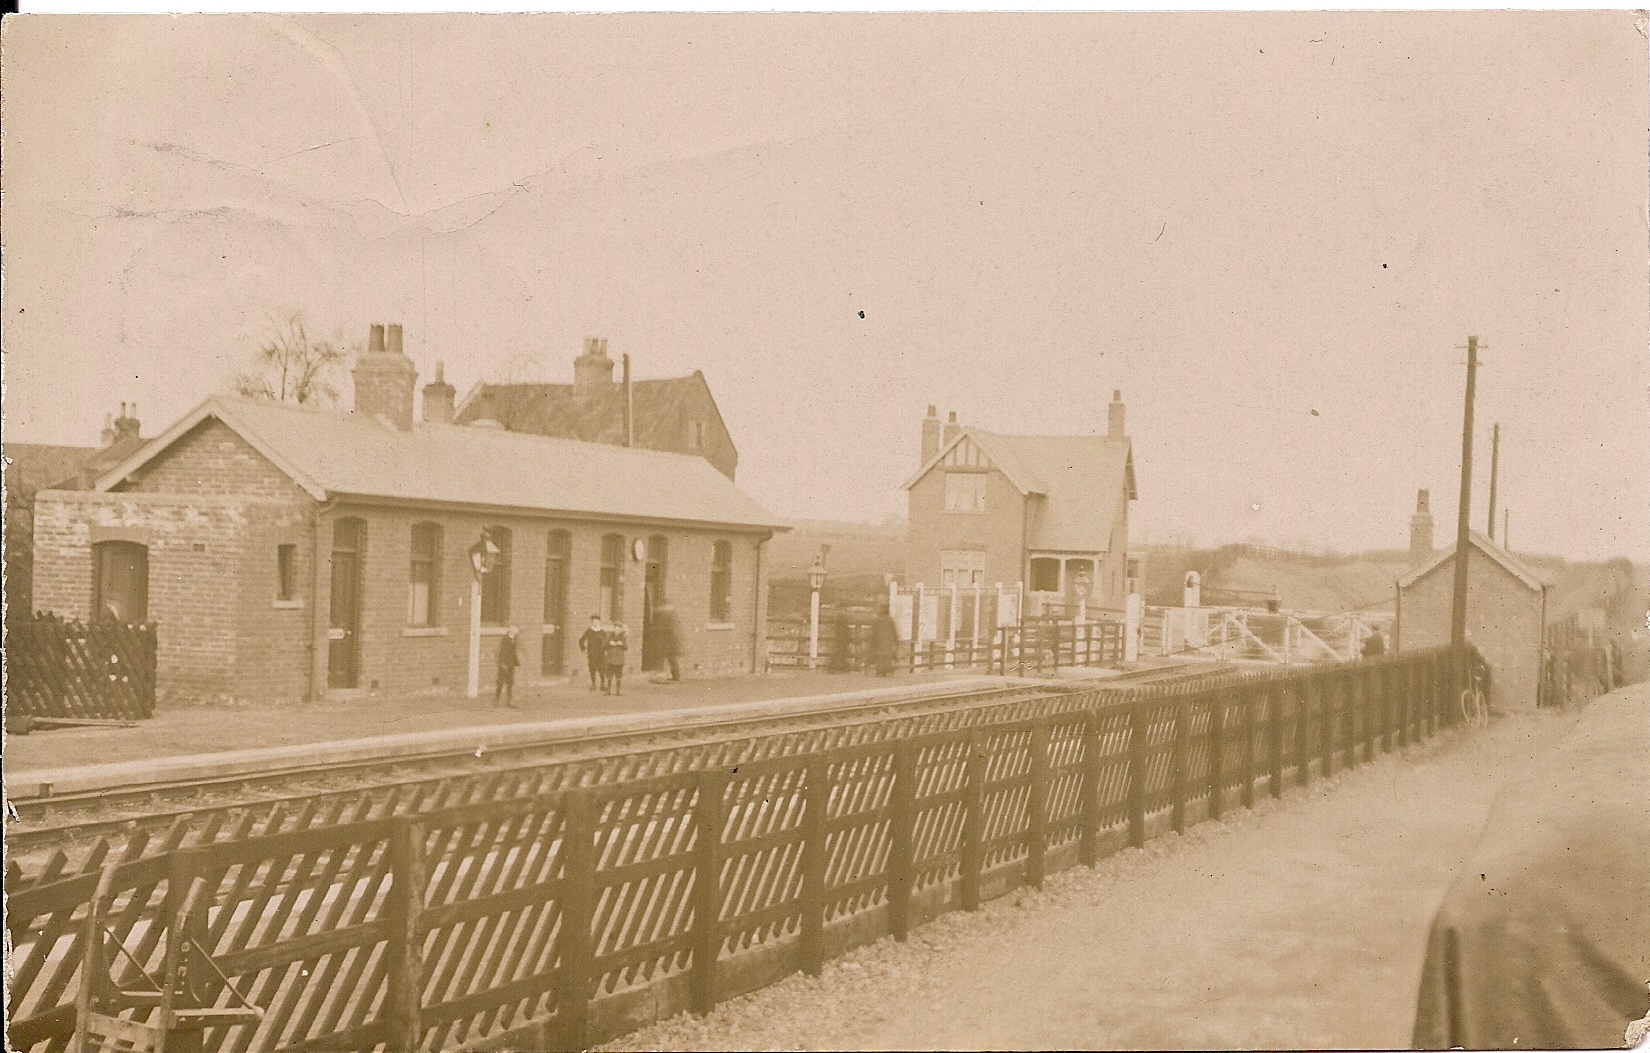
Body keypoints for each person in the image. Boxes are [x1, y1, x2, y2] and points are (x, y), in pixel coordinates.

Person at [654, 603, 682, 682]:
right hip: (670, 642)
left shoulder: (670, 619)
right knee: (671, 659)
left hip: (671, 643)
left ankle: (676, 676)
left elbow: (669, 631)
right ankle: (675, 676)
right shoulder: (670, 617)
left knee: (672, 659)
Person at [494, 625, 520, 708]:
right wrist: (502, 664)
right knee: (500, 682)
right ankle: (496, 699)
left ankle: (509, 700)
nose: (517, 632)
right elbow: (503, 652)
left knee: (510, 682)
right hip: (504, 664)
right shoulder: (505, 639)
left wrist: (516, 662)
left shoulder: (514, 639)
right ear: (511, 631)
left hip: (511, 664)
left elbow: (513, 652)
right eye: (515, 631)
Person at [577, 615, 606, 691]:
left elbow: (606, 642)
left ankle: (602, 683)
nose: (595, 623)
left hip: (600, 653)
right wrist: (583, 648)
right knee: (592, 668)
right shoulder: (589, 631)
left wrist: (604, 646)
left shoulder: (602, 632)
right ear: (592, 622)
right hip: (592, 653)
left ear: (599, 622)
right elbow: (581, 640)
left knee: (601, 668)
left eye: (597, 621)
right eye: (594, 621)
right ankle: (593, 683)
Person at [870, 607, 898, 677]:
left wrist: (873, 642)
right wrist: (896, 641)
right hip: (888, 642)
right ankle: (886, 671)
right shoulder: (890, 620)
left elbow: (874, 632)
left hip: (880, 642)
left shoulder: (878, 620)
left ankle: (879, 671)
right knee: (887, 656)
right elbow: (894, 632)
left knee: (880, 656)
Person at [603, 623, 629, 696]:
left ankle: (618, 691)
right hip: (610, 659)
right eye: (616, 629)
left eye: (619, 629)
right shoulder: (609, 637)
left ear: (620, 630)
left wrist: (621, 644)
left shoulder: (623, 638)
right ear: (614, 629)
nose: (617, 630)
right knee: (609, 675)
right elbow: (603, 646)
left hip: (619, 659)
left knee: (618, 675)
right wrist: (609, 644)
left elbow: (626, 647)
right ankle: (608, 690)